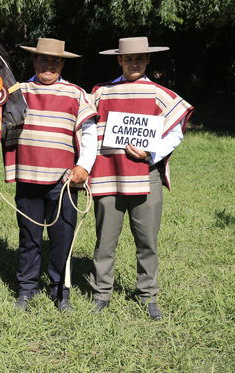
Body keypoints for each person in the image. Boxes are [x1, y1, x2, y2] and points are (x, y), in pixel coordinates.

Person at [89, 37, 194, 321]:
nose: (133, 63)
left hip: (145, 176)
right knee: (104, 242)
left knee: (147, 241)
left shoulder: (159, 94)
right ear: (119, 60)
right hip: (108, 176)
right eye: (128, 58)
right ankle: (101, 293)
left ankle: (148, 295)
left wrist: (151, 152)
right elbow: (87, 129)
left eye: (139, 58)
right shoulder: (101, 93)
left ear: (148, 60)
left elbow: (175, 132)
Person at [3, 38, 98, 312]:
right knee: (29, 237)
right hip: (29, 177)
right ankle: (26, 290)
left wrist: (84, 166)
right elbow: (2, 127)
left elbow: (90, 134)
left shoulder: (77, 94)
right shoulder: (17, 92)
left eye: (55, 61)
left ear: (62, 64)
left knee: (62, 239)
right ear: (34, 61)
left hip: (64, 181)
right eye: (43, 59)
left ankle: (61, 291)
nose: (49, 65)